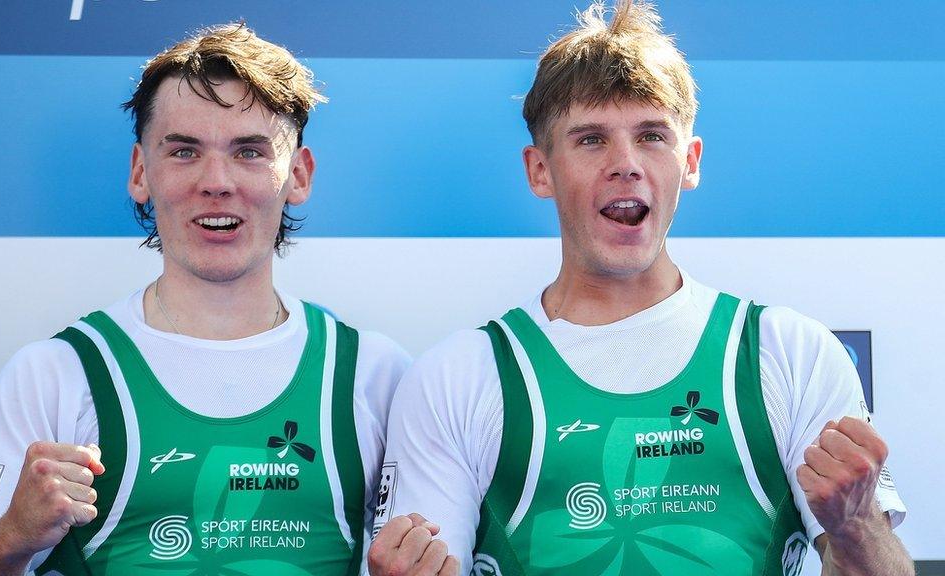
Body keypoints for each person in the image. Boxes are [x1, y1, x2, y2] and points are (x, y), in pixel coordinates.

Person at [368, 2, 912, 575]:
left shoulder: (791, 353)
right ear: (539, 170)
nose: (625, 164)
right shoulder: (459, 377)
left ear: (690, 160)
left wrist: (856, 528)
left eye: (652, 135)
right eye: (590, 140)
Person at [0, 22, 408, 575]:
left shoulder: (373, 373)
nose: (216, 181)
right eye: (184, 152)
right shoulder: (55, 374)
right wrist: (11, 537)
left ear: (298, 174)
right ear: (139, 172)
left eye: (249, 151)